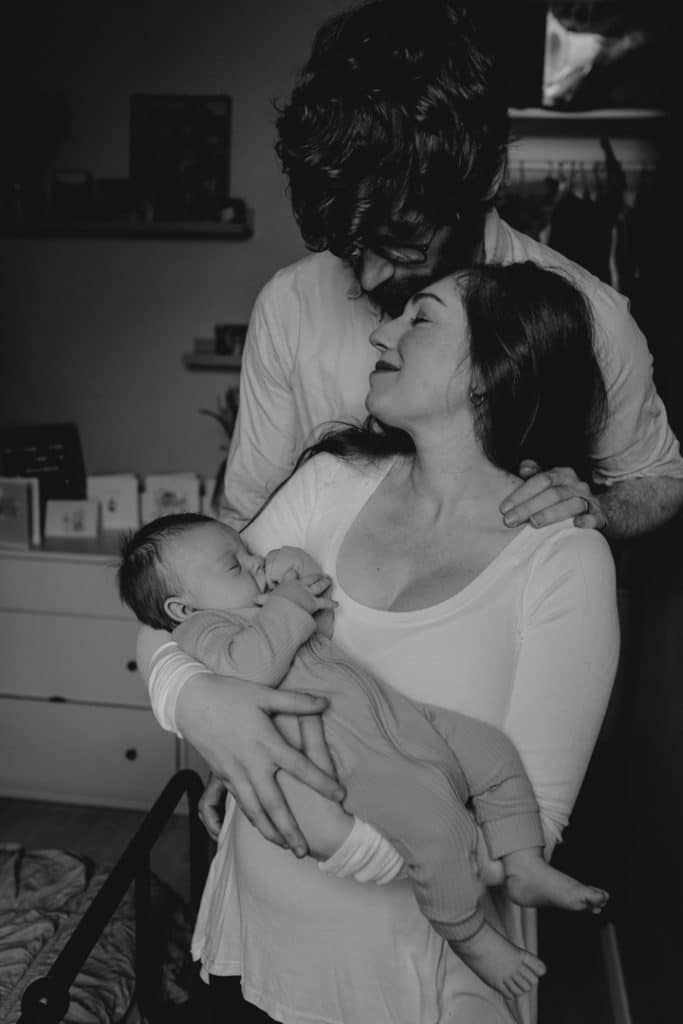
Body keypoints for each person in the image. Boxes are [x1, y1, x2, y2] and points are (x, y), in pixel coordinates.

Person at [141, 0, 683, 867]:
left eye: (394, 241)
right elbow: (238, 533)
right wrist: (232, 727)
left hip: (474, 768)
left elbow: (657, 479)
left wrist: (596, 510)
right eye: (343, 242)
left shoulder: (585, 314)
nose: (366, 278)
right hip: (310, 729)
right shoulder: (292, 303)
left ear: (476, 186)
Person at [139, 261, 621, 1023]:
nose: (380, 329)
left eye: (418, 318)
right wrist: (203, 708)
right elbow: (168, 616)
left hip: (414, 981)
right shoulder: (329, 484)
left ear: (493, 370)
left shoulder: (562, 557)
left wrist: (343, 843)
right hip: (261, 947)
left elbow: (531, 814)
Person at [118, 510, 609, 998]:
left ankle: (524, 862)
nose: (253, 562)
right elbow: (252, 668)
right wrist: (284, 605)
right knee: (438, 830)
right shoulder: (203, 633)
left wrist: (296, 572)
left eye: (248, 552)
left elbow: (324, 622)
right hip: (350, 756)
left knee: (493, 753)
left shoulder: (262, 603)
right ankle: (470, 934)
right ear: (182, 608)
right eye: (234, 564)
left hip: (394, 714)